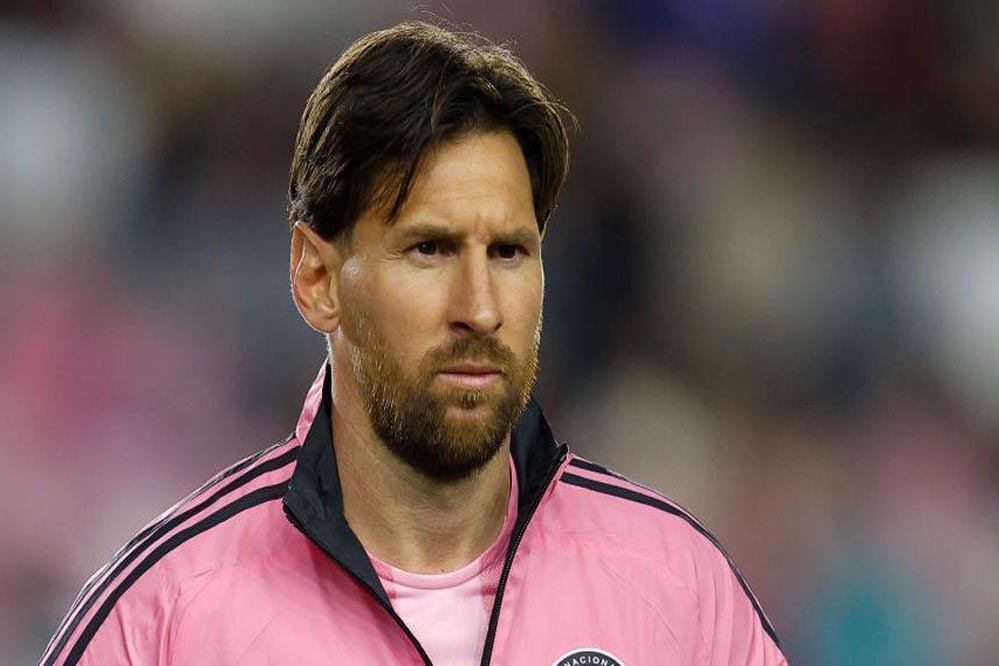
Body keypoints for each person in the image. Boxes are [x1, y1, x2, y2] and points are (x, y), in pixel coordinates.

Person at [40, 21, 787, 666]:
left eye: (508, 252)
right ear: (316, 279)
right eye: (429, 249)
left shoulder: (677, 588)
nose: (479, 309)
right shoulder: (167, 614)